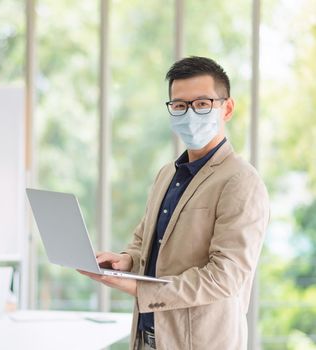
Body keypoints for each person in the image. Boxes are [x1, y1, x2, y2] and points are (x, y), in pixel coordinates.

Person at [79, 56, 269, 350]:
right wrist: (126, 260)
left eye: (202, 104)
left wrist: (139, 289)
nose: (190, 114)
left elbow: (225, 277)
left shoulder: (241, 180)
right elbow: (146, 240)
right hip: (148, 339)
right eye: (180, 105)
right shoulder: (167, 174)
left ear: (227, 108)